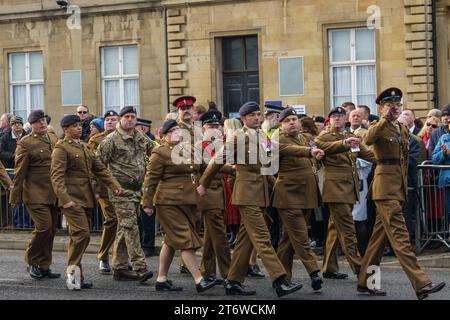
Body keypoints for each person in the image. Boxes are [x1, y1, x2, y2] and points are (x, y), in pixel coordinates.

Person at [197, 101, 302, 298]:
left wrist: (276, 184)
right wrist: (203, 184)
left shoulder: (263, 136)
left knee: (245, 241)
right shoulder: (238, 137)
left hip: (259, 194)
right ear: (243, 118)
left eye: (258, 114)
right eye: (252, 115)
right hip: (246, 195)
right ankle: (280, 280)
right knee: (262, 238)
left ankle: (234, 281)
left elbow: (268, 164)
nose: (256, 117)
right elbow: (216, 161)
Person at [357, 87, 445, 299]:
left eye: (397, 104)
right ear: (381, 107)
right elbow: (367, 140)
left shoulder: (402, 128)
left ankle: (366, 283)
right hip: (384, 189)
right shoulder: (379, 126)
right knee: (400, 235)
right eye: (389, 105)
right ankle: (421, 283)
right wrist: (383, 120)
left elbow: (406, 158)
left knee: (378, 241)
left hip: (398, 187)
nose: (394, 108)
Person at [142, 119, 216, 293]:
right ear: (165, 135)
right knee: (186, 241)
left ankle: (161, 279)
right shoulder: (160, 153)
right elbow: (150, 179)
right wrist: (147, 202)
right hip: (169, 203)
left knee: (170, 241)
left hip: (188, 202)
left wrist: (231, 167)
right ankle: (199, 280)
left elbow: (208, 167)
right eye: (174, 131)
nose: (178, 133)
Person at [51, 114, 122, 290]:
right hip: (72, 199)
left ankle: (77, 276)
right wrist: (65, 199)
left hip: (86, 198)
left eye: (79, 125)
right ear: (66, 129)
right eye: (74, 126)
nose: (79, 128)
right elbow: (56, 176)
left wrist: (114, 185)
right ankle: (72, 275)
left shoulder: (84, 146)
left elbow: (100, 168)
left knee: (78, 238)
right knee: (83, 235)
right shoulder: (61, 148)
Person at [315, 106, 375, 279]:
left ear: (346, 119)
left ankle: (329, 268)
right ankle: (361, 271)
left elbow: (368, 155)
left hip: (349, 188)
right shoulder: (323, 137)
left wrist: (388, 160)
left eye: (341, 116)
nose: (337, 119)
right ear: (329, 120)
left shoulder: (351, 137)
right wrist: (343, 144)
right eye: (334, 117)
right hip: (335, 189)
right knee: (348, 230)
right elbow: (324, 147)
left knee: (334, 229)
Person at [97, 106, 154, 283]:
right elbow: (97, 165)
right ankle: (140, 266)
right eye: (127, 117)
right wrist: (102, 189)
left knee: (124, 228)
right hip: (120, 191)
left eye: (133, 117)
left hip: (136, 190)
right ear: (121, 119)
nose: (130, 120)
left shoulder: (140, 136)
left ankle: (119, 268)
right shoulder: (111, 140)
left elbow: (154, 151)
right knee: (131, 226)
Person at [274, 107, 325, 291]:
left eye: (294, 119)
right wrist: (309, 152)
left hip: (307, 195)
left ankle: (281, 277)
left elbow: (320, 147)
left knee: (289, 239)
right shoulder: (278, 140)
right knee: (302, 236)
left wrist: (344, 144)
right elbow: (290, 150)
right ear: (281, 124)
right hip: (288, 196)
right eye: (287, 121)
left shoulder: (305, 138)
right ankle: (314, 272)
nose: (292, 122)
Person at [10, 110, 60, 280]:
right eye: (38, 121)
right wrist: (15, 197)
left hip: (53, 193)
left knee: (52, 230)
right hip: (35, 193)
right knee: (44, 227)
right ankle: (32, 261)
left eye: (44, 120)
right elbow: (19, 172)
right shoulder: (25, 143)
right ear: (31, 125)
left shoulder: (53, 138)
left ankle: (44, 265)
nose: (42, 123)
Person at [198, 110, 232, 285]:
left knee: (211, 236)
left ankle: (207, 271)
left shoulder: (219, 146)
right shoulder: (200, 146)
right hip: (209, 194)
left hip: (220, 192)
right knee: (220, 234)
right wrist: (232, 168)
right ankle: (229, 274)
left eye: (216, 126)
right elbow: (210, 164)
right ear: (203, 129)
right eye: (210, 126)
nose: (214, 129)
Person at [87, 110, 119, 274]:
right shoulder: (96, 140)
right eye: (107, 120)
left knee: (126, 223)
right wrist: (95, 189)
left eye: (113, 119)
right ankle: (104, 256)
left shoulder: (125, 138)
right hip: (105, 188)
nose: (110, 122)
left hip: (124, 187)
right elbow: (92, 166)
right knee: (112, 220)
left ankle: (120, 259)